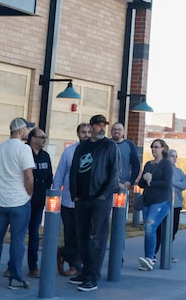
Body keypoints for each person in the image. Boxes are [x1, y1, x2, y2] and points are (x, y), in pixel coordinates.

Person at [0, 117, 36, 290]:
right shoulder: (24, 149)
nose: (29, 131)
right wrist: (29, 193)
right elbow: (28, 175)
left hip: (1, 201)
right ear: (20, 131)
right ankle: (15, 278)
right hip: (19, 201)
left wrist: (2, 187)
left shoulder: (0, 147)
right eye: (27, 128)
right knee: (17, 241)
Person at [68, 113, 120, 292]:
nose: (101, 128)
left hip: (100, 199)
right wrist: (73, 193)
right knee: (81, 236)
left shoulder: (109, 146)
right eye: (98, 125)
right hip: (82, 198)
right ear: (91, 127)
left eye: (103, 125)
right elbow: (74, 169)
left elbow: (114, 172)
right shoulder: (82, 147)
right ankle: (84, 271)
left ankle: (92, 276)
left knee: (96, 238)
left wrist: (104, 195)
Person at [55, 121, 90, 278]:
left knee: (83, 234)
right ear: (78, 134)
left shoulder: (95, 152)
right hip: (68, 201)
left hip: (87, 201)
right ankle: (74, 265)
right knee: (71, 233)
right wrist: (54, 195)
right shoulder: (69, 152)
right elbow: (60, 174)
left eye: (89, 132)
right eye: (83, 132)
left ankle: (65, 254)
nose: (87, 135)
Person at [134, 139, 174, 270]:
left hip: (161, 200)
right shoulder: (148, 164)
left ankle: (150, 258)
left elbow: (167, 183)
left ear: (163, 149)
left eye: (156, 147)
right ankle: (148, 258)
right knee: (148, 229)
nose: (154, 149)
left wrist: (151, 182)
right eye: (152, 147)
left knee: (150, 226)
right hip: (147, 200)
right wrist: (144, 179)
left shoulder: (166, 164)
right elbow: (141, 185)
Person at [23, 127, 53, 279]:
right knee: (19, 233)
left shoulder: (45, 156)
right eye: (41, 137)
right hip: (24, 199)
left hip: (39, 201)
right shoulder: (24, 153)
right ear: (32, 138)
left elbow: (49, 177)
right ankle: (11, 265)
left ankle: (33, 266)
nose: (44, 140)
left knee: (34, 233)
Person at [112, 122, 142, 229]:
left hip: (123, 187)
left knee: (120, 220)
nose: (117, 131)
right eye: (114, 129)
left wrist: (130, 182)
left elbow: (136, 165)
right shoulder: (106, 144)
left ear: (123, 132)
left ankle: (119, 244)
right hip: (107, 187)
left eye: (119, 129)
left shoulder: (129, 145)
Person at [168, 148, 186, 234]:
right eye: (172, 156)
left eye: (176, 156)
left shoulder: (179, 171)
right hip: (165, 203)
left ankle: (169, 246)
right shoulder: (164, 169)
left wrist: (173, 183)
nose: (174, 158)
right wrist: (177, 185)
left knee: (174, 228)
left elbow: (185, 184)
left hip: (177, 203)